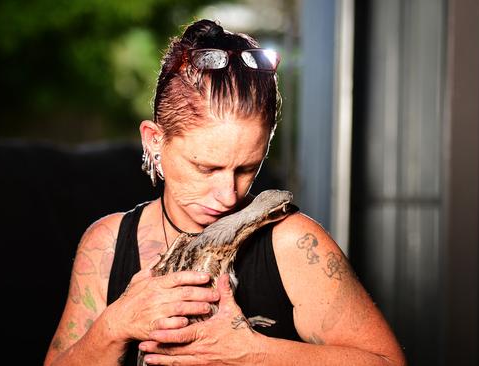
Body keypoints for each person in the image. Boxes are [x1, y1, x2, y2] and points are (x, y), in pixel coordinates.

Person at [44, 19, 406, 366]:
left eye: (248, 167)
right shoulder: (105, 245)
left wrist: (254, 355)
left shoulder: (292, 244)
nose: (228, 195)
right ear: (155, 141)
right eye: (207, 168)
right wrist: (113, 327)